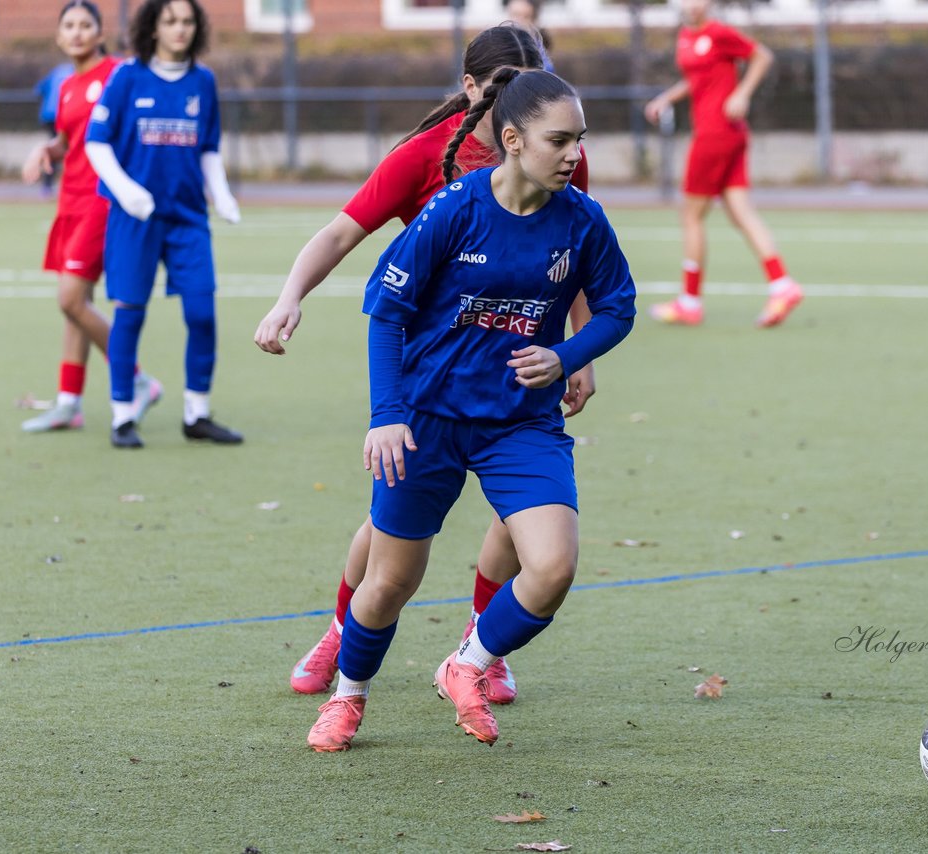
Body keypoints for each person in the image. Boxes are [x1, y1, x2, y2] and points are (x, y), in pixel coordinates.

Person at [255, 24, 596, 705]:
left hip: (522, 373)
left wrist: (576, 349)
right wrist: (289, 298)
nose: (527, 101)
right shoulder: (425, 158)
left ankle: (481, 645)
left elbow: (574, 249)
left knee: (520, 514)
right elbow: (341, 231)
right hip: (433, 379)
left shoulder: (559, 151)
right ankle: (339, 632)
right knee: (387, 538)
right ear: (472, 89)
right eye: (506, 88)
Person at [305, 68, 636, 752]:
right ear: (512, 140)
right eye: (559, 140)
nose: (574, 154)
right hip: (426, 419)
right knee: (390, 582)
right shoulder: (454, 208)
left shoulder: (583, 220)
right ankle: (348, 697)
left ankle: (468, 664)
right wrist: (387, 412)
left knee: (553, 567)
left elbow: (617, 308)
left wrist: (567, 356)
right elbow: (386, 313)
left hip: (521, 422)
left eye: (580, 139)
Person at [85, 0, 243, 449]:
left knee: (201, 312)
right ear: (153, 27)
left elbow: (208, 148)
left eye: (188, 21)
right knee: (129, 313)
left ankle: (197, 413)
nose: (180, 29)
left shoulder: (203, 81)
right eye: (170, 20)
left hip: (188, 217)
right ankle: (121, 415)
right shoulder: (127, 77)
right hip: (134, 218)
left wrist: (223, 194)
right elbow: (97, 143)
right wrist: (126, 190)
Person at [20, 0, 162, 434]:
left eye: (86, 25)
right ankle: (69, 402)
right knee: (76, 304)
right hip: (70, 202)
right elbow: (69, 139)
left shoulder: (119, 75)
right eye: (70, 26)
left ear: (100, 34)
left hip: (103, 202)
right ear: (60, 37)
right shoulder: (65, 85)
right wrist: (47, 149)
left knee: (70, 299)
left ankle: (137, 379)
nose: (78, 32)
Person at [643, 0, 802, 328]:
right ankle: (782, 285)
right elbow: (697, 78)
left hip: (717, 133)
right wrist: (666, 99)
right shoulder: (687, 35)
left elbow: (762, 56)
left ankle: (689, 302)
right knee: (740, 210)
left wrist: (742, 94)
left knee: (691, 214)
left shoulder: (718, 32)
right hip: (725, 134)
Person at [34, 61, 73, 195]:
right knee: (65, 148)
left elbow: (38, 90)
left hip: (48, 115)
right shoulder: (77, 72)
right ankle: (58, 185)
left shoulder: (57, 70)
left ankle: (47, 186)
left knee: (58, 148)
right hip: (63, 115)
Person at [503, 0, 553, 72]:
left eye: (526, 17)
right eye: (515, 14)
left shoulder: (540, 45)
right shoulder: (499, 43)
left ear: (534, 19)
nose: (519, 21)